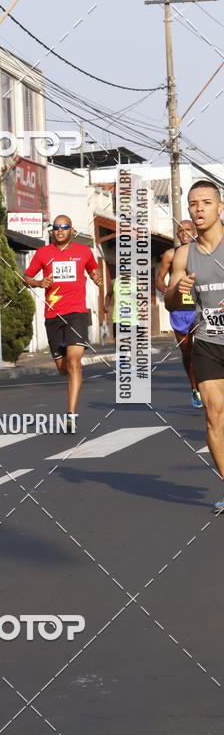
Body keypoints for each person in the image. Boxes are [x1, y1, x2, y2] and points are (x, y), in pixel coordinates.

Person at [165, 180, 224, 513]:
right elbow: (172, 303)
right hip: (208, 341)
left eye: (206, 202)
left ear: (220, 207)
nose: (199, 209)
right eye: (193, 204)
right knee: (215, 419)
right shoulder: (183, 255)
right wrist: (179, 289)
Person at [24, 215, 102, 430]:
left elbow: (93, 270)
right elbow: (27, 277)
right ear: (52, 231)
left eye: (64, 227)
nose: (60, 230)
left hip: (77, 312)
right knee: (62, 367)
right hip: (53, 315)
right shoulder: (43, 253)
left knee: (74, 362)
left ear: (71, 229)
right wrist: (39, 282)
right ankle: (72, 377)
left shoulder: (83, 252)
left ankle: (71, 414)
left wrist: (96, 278)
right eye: (56, 227)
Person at [156, 220, 202, 408]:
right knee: (187, 352)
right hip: (179, 310)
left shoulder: (202, 251)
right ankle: (195, 389)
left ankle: (207, 384)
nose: (184, 233)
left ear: (195, 231)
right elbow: (159, 277)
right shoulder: (170, 254)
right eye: (180, 231)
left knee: (202, 349)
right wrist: (162, 286)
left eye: (187, 230)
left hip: (199, 308)